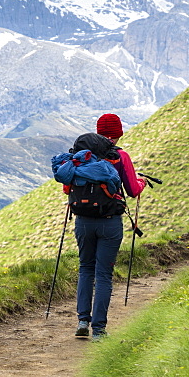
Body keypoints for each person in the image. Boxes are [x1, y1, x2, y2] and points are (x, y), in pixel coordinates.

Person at [54, 114, 144, 341]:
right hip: (110, 222)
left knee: (85, 269)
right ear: (118, 133)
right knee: (104, 274)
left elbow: (67, 189)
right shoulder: (119, 156)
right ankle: (99, 329)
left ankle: (82, 321)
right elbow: (132, 190)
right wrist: (142, 182)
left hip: (83, 221)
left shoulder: (81, 157)